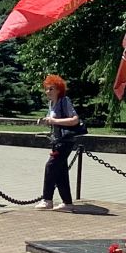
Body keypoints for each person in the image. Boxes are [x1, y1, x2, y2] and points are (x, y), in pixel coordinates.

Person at [37, 75, 80, 210]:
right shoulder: (51, 104)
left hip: (65, 141)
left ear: (58, 89)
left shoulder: (64, 101)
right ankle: (67, 203)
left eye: (51, 89)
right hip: (57, 141)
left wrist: (54, 121)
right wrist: (45, 121)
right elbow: (52, 119)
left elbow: (75, 120)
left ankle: (47, 199)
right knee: (61, 171)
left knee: (50, 166)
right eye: (47, 89)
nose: (48, 91)